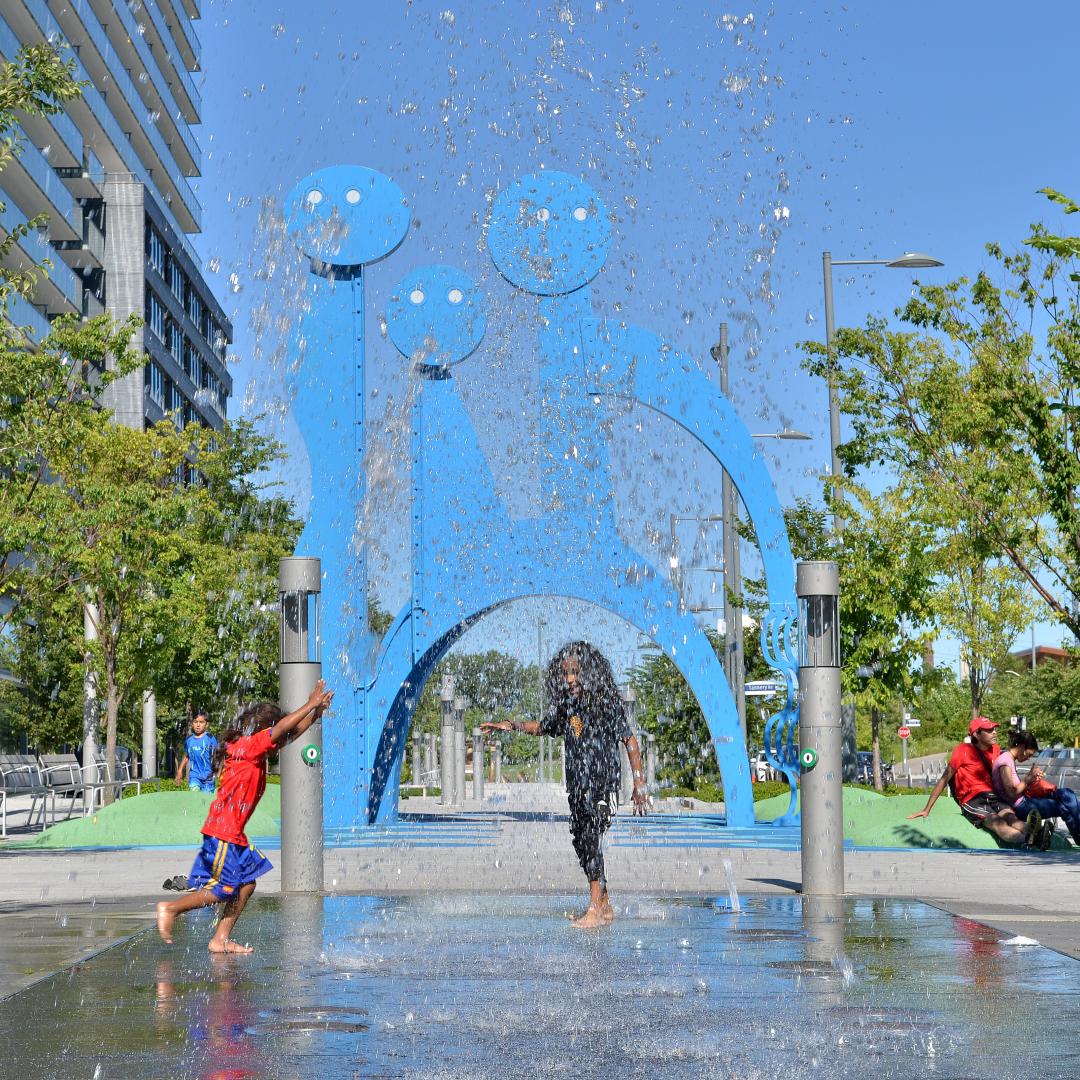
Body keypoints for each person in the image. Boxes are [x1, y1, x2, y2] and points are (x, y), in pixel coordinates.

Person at [481, 641, 649, 929]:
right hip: (577, 786)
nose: (569, 679)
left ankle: (594, 910)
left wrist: (639, 784)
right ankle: (604, 904)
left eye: (575, 673)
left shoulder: (606, 702)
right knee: (582, 843)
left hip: (602, 785)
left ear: (590, 672)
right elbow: (545, 727)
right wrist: (512, 725)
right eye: (565, 674)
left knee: (591, 837)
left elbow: (629, 740)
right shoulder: (568, 704)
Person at [156, 679, 333, 953]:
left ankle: (220, 939)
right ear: (264, 729)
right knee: (225, 889)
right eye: (274, 731)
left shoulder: (250, 748)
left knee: (247, 883)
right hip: (223, 832)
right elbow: (283, 731)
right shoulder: (246, 747)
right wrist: (309, 704)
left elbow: (288, 735)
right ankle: (171, 908)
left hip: (232, 834)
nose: (278, 739)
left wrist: (316, 714)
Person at [907, 716, 1052, 849]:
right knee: (998, 822)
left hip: (993, 796)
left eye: (994, 729)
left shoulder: (995, 750)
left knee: (1010, 816)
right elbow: (944, 779)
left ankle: (1035, 831)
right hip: (973, 799)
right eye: (989, 730)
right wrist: (927, 809)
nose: (994, 732)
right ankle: (1031, 839)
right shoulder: (962, 750)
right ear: (976, 734)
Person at [992, 730, 1080, 847]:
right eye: (1028, 754)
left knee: (1067, 794)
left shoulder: (1008, 759)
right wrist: (1029, 778)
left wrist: (1031, 779)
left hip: (1024, 801)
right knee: (1063, 806)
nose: (1028, 759)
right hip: (1021, 807)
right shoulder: (1005, 761)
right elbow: (1011, 792)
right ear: (1022, 747)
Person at [175, 712, 218, 793]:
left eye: (201, 722)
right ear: (192, 724)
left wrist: (218, 772)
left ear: (206, 724)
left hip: (208, 777)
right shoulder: (189, 739)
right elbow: (186, 755)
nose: (198, 725)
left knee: (205, 802)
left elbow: (217, 756)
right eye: (195, 722)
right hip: (194, 776)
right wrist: (180, 770)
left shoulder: (211, 739)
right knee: (195, 796)